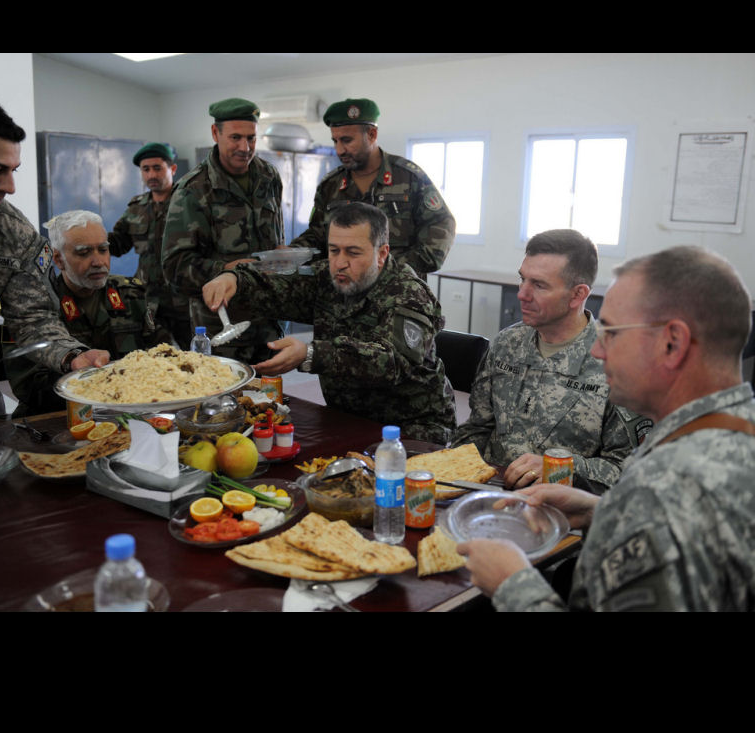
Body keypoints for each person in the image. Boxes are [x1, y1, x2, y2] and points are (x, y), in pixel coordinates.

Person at [458, 245, 755, 612]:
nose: (598, 351)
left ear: (672, 343)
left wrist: (512, 585)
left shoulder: (663, 488)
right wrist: (601, 510)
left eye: (612, 332)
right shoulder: (731, 433)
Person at [203, 202, 457, 444]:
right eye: (334, 250)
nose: (340, 262)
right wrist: (234, 279)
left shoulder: (408, 294)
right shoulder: (327, 276)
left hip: (412, 430)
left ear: (381, 254)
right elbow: (276, 287)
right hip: (348, 420)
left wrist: (312, 353)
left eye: (353, 252)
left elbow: (393, 362)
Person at [450, 229, 650, 495]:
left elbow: (629, 471)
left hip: (564, 507)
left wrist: (559, 467)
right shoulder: (507, 343)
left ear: (577, 295)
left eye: (539, 285)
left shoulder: (617, 363)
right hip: (492, 493)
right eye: (522, 279)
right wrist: (453, 473)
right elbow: (477, 428)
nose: (522, 294)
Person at [0, 94, 108, 429]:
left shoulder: (11, 232)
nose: (9, 187)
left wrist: (72, 355)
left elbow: (32, 317)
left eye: (13, 170)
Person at [4, 210, 174, 415]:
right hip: (60, 416)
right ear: (58, 259)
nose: (98, 262)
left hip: (133, 410)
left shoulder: (132, 295)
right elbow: (29, 387)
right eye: (84, 253)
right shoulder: (33, 307)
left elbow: (164, 356)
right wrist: (102, 385)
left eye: (103, 250)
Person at [161, 98, 284, 363]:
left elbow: (276, 240)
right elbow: (175, 267)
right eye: (235, 138)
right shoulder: (194, 189)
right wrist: (228, 269)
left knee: (269, 390)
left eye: (251, 138)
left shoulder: (269, 176)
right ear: (215, 133)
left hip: (268, 320)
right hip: (222, 330)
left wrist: (282, 255)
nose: (245, 148)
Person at [290, 98, 455, 281]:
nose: (340, 150)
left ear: (372, 135)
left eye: (347, 140)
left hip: (397, 289)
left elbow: (441, 224)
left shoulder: (409, 178)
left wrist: (389, 266)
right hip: (343, 289)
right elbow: (317, 235)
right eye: (335, 141)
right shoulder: (331, 185)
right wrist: (292, 253)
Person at [108, 141, 192, 349]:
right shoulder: (137, 207)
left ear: (172, 169)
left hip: (185, 299)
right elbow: (118, 244)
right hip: (148, 300)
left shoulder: (190, 203)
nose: (151, 174)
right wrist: (91, 238)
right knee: (156, 357)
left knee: (195, 355)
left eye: (157, 168)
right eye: (146, 169)